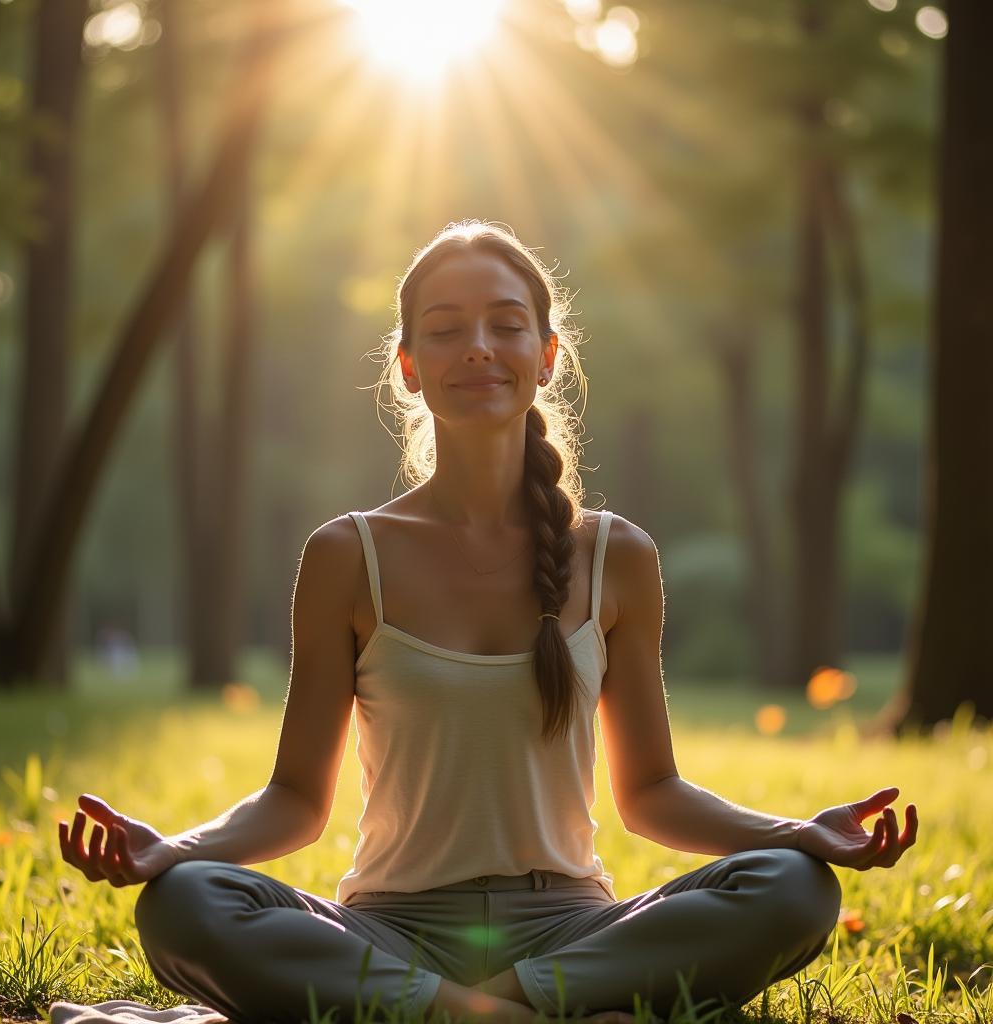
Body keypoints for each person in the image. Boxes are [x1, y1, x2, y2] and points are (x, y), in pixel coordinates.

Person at [58, 220, 918, 1024]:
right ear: (408, 366)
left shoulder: (616, 555)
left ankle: (448, 1014)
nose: (477, 347)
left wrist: (793, 834)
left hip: (571, 935)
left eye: (506, 326)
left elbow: (651, 795)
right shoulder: (345, 555)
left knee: (797, 888)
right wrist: (174, 849)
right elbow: (294, 801)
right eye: (445, 329)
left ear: (545, 357)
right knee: (185, 903)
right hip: (388, 933)